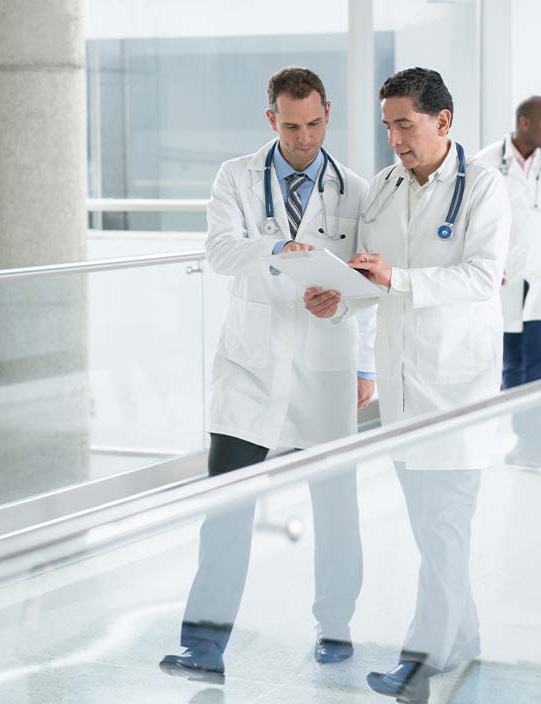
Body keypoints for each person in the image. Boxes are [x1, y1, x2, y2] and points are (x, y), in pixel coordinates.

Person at [158, 67, 374, 682]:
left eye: (313, 124)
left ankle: (336, 627)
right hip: (251, 367)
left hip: (326, 363)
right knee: (226, 504)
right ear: (270, 120)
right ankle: (203, 643)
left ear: (327, 113)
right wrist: (280, 250)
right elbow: (222, 251)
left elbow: (369, 283)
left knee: (336, 508)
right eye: (290, 126)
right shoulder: (236, 176)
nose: (303, 138)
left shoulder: (355, 191)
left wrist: (361, 351)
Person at [349, 67, 510, 704]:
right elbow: (371, 280)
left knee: (443, 527)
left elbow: (482, 275)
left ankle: (420, 662)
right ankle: (463, 639)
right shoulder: (385, 189)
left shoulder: (484, 187)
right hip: (402, 382)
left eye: (405, 124)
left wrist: (400, 280)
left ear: (443, 122)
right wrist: (340, 299)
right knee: (432, 529)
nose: (394, 138)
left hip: (457, 384)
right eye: (388, 125)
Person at [475, 95, 541, 470]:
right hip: (504, 277)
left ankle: (534, 442)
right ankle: (523, 439)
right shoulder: (486, 163)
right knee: (510, 362)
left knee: (539, 360)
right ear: (524, 122)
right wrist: (485, 263)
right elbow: (475, 222)